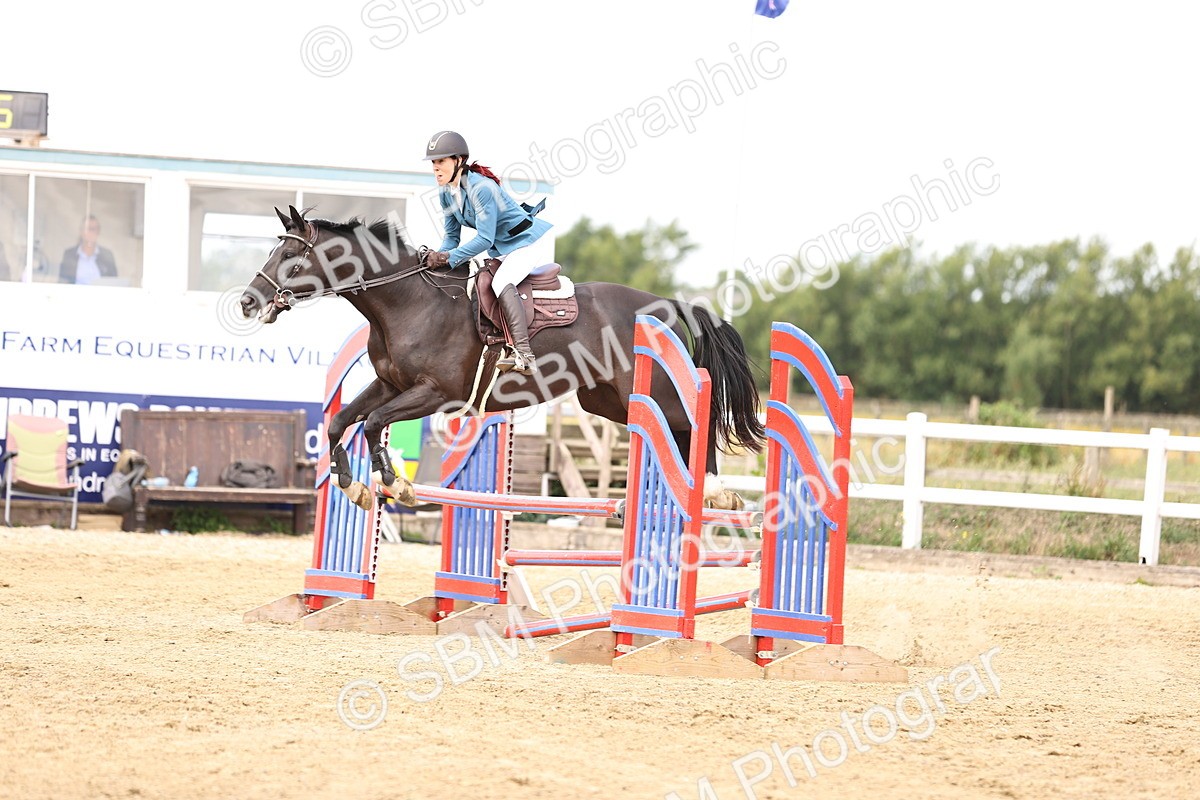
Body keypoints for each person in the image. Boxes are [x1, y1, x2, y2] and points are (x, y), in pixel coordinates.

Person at [422, 131, 551, 375]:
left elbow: (484, 238)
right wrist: (439, 257)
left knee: (501, 282)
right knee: (477, 280)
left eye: (441, 161)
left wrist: (448, 258)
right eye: (433, 162)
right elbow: (451, 238)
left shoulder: (481, 188)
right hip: (502, 248)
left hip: (526, 243)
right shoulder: (445, 193)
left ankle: (524, 354)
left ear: (459, 160)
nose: (435, 168)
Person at [59, 215, 118, 285]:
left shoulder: (107, 255)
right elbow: (62, 282)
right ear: (81, 232)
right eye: (87, 229)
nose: (91, 232)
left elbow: (114, 284)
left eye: (94, 229)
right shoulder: (69, 255)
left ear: (98, 232)